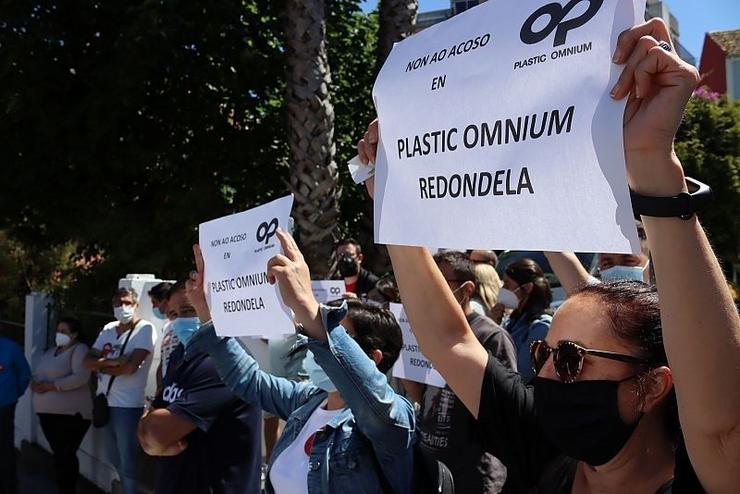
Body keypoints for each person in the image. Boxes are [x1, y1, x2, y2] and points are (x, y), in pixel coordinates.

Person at [356, 18, 740, 492]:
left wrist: (653, 164)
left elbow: (721, 426)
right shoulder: (544, 444)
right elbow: (448, 338)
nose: (545, 375)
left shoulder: (705, 478)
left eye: (573, 359)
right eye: (543, 353)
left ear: (652, 385)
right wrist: (397, 209)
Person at [185, 231, 416, 493]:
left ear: (373, 358)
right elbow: (249, 381)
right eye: (323, 331)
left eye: (339, 335)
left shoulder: (394, 418)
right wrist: (207, 313)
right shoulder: (309, 401)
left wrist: (306, 305)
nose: (318, 343)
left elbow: (374, 400)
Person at [403, 251, 516, 493]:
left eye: (441, 283)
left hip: (474, 473)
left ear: (467, 289)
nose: (430, 290)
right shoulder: (427, 331)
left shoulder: (491, 337)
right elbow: (418, 395)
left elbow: (506, 410)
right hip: (434, 467)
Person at [138, 280, 262, 494]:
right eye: (173, 314)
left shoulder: (223, 363)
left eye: (187, 310)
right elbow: (151, 423)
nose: (179, 320)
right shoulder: (182, 353)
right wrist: (151, 428)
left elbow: (154, 433)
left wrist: (152, 430)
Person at [83, 287, 157, 494]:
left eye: (126, 303)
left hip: (127, 404)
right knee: (114, 457)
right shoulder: (108, 328)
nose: (122, 308)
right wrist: (114, 362)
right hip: (104, 401)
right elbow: (87, 362)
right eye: (118, 304)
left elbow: (131, 368)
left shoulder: (144, 329)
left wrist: (102, 365)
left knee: (128, 460)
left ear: (136, 306)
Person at [31, 317, 93, 494]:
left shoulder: (79, 350)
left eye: (64, 331)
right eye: (58, 330)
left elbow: (80, 377)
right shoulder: (51, 352)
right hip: (47, 413)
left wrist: (50, 386)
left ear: (74, 334)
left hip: (72, 415)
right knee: (59, 455)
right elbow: (37, 374)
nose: (60, 334)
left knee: (65, 454)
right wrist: (35, 384)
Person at [497, 258, 553, 383]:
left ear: (527, 288)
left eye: (507, 285)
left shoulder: (541, 326)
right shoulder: (512, 320)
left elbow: (521, 372)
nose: (502, 290)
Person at [0, 331, 31, 494]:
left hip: (4, 407)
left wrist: (11, 395)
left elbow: (24, 375)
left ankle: (8, 487)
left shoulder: (10, 348)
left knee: (4, 450)